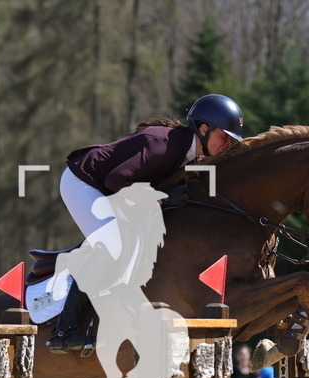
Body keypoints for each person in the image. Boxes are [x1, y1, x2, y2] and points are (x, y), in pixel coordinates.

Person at [47, 93, 245, 353]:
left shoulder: (191, 153)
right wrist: (161, 199)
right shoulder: (164, 145)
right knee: (112, 243)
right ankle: (64, 331)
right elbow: (116, 182)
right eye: (225, 136)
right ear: (204, 128)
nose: (228, 143)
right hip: (84, 183)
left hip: (109, 188)